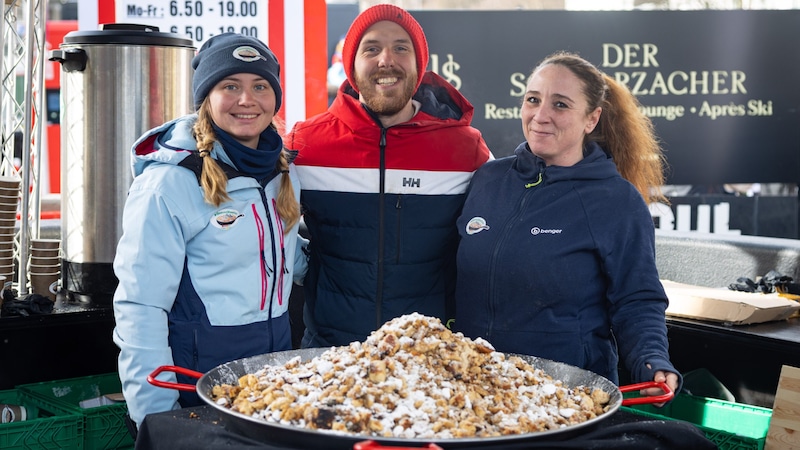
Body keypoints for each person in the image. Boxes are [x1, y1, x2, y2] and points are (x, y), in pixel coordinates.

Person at [454, 51, 681, 401]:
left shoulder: (615, 200)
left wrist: (651, 361)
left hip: (564, 396)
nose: (540, 115)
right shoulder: (488, 179)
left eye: (560, 105)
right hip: (473, 392)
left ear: (592, 119)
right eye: (533, 100)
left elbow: (637, 298)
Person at [112, 33, 308, 430]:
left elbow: (285, 258)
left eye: (260, 86)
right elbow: (140, 306)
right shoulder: (169, 183)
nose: (246, 99)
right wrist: (157, 414)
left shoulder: (283, 172)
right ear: (206, 97)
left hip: (271, 380)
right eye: (230, 86)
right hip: (197, 386)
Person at [287, 4, 491, 348]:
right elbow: (262, 225)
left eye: (401, 47)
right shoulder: (306, 143)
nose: (386, 60)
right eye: (371, 48)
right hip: (329, 354)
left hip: (429, 356)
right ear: (351, 64)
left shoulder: (466, 148)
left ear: (418, 64)